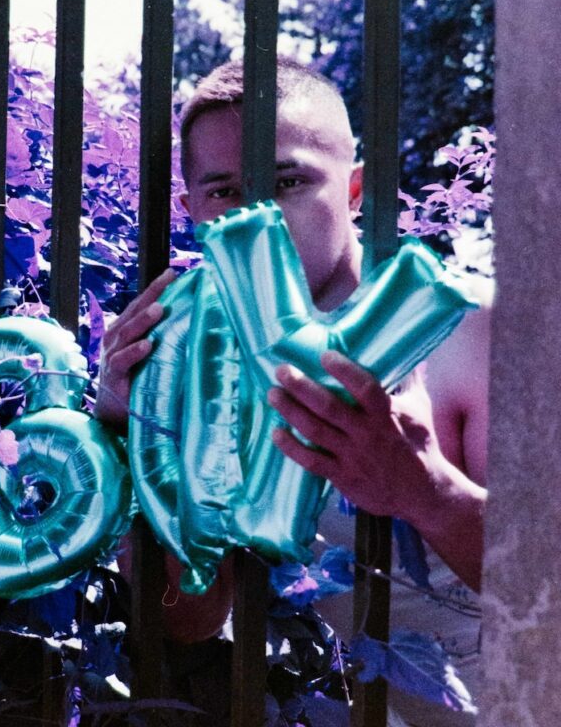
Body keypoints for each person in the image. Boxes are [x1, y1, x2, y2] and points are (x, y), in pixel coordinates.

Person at [94, 56, 490, 714]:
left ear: (355, 190)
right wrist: (131, 428)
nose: (257, 217)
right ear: (191, 211)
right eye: (223, 191)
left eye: (286, 181)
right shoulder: (198, 357)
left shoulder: (469, 325)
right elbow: (189, 619)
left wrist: (426, 490)